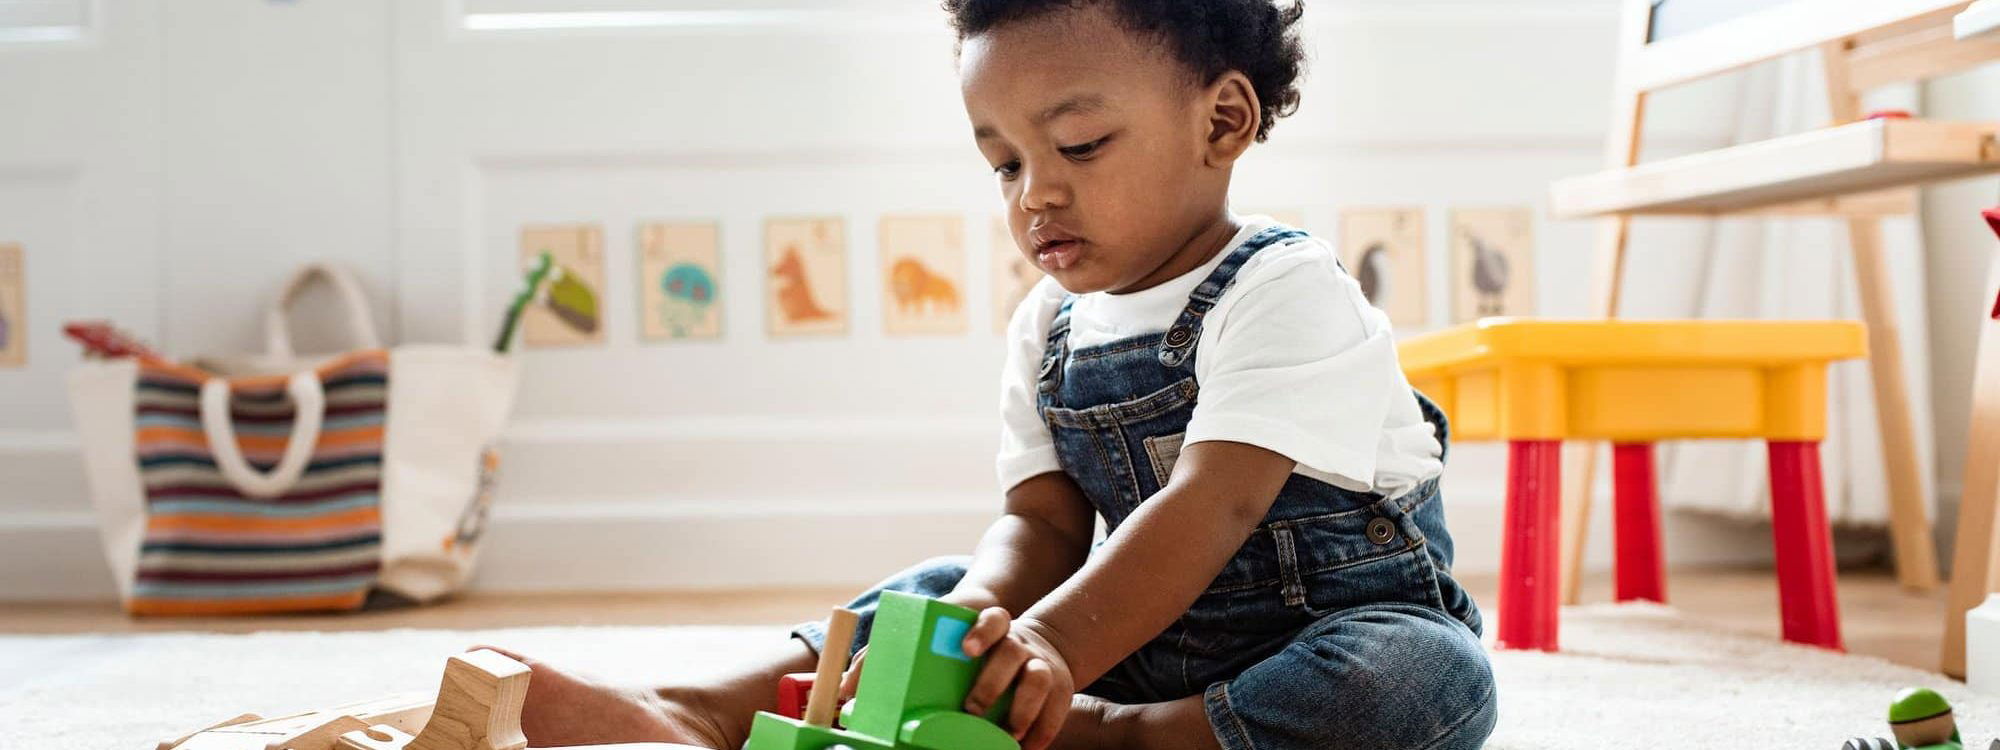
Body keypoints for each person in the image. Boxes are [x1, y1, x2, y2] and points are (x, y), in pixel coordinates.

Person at [491, 2, 1495, 748]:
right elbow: (1042, 526)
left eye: (1078, 145)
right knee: (932, 590)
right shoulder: (1047, 325)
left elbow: (1211, 508)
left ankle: (1111, 737)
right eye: (1003, 163)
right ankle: (702, 710)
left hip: (1315, 630)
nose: (1035, 193)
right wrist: (972, 634)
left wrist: (1052, 648)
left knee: (1413, 682)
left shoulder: (1284, 289)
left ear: (1221, 121)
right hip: (1123, 636)